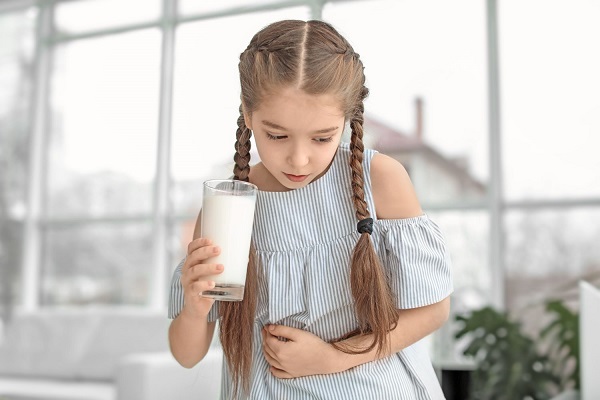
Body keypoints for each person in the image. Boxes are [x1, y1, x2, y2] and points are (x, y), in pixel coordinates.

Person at [168, 19, 453, 400]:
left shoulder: (381, 179)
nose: (299, 159)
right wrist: (192, 308)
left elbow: (433, 311)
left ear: (347, 121)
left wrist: (333, 357)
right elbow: (187, 356)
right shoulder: (229, 207)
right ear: (248, 115)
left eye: (322, 138)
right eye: (277, 135)